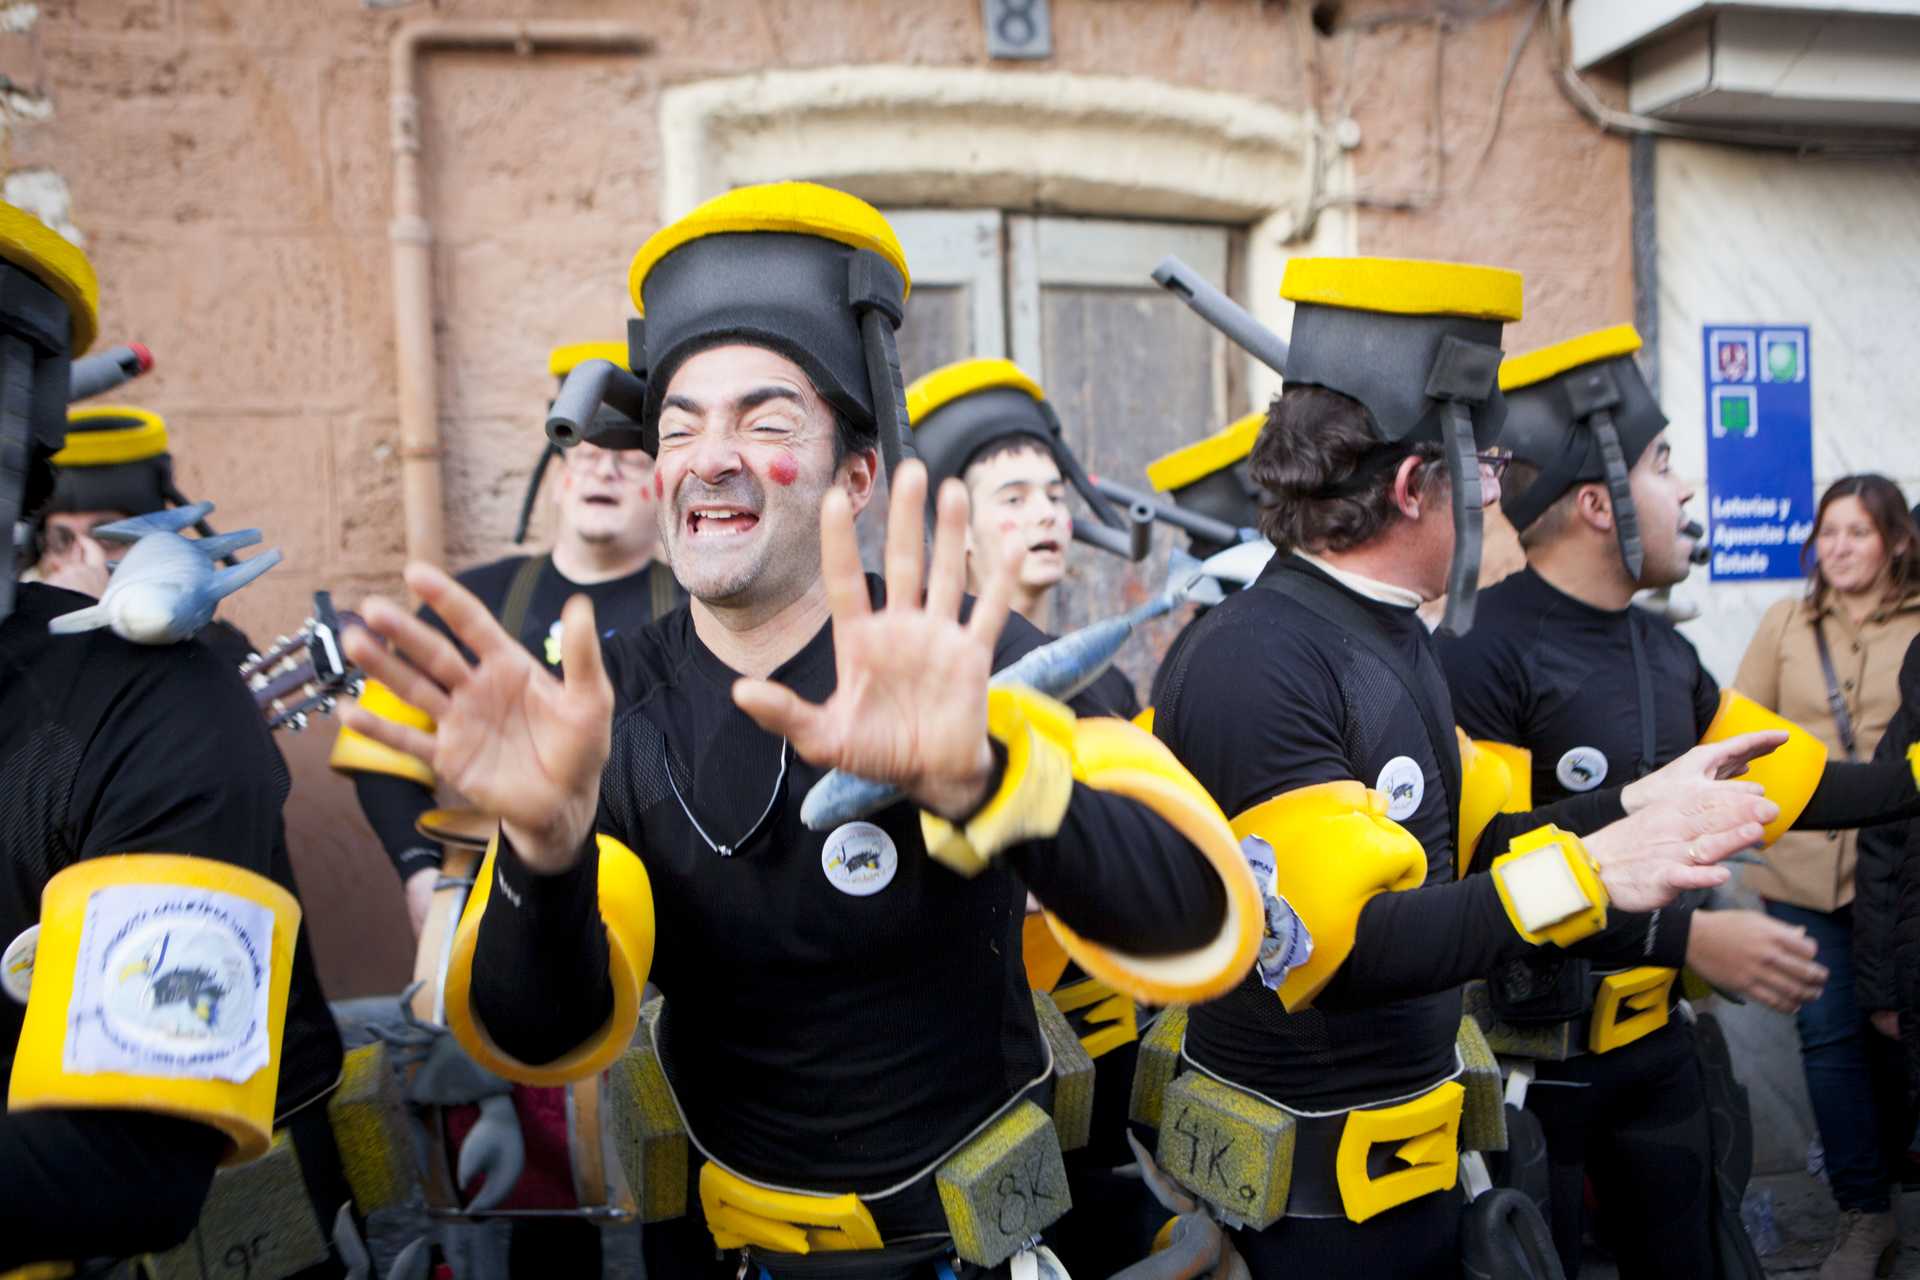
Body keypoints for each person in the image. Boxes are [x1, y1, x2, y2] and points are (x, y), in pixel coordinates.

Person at [341, 182, 1268, 1280]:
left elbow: (1198, 918)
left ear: (857, 474)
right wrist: (545, 854)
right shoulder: (610, 707)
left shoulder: (962, 651)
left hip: (985, 1248)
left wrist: (989, 777)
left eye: (765, 420)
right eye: (680, 426)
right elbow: (539, 1032)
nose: (710, 454)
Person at [1150, 256, 1782, 1277]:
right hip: (1316, 1227)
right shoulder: (1260, 658)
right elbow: (1346, 949)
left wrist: (1626, 804)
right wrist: (1586, 875)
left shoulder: (1390, 631)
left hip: (1418, 1179)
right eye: (1484, 465)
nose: (1498, 488)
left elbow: (1469, 843)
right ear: (1412, 484)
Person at [1435, 324, 1842, 1277]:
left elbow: (1797, 784)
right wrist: (1690, 940)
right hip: (1541, 1070)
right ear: (1594, 502)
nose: (1690, 488)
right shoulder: (1481, 650)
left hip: (1659, 1049)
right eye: (1665, 463)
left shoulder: (1666, 652)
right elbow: (1488, 861)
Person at [0, 207, 346, 1273]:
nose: (74, 566)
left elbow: (123, 1165)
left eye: (95, 544)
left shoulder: (166, 680)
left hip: (224, 1139)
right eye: (61, 545)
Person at [334, 343, 678, 938]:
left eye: (630, 462)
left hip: (672, 910)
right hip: (509, 904)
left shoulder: (701, 609)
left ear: (664, 488)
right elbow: (379, 753)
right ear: (558, 480)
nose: (603, 470)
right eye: (587, 455)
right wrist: (420, 872)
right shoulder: (472, 602)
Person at [1734, 473, 1920, 1278]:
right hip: (1806, 876)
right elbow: (1738, 734)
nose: (1839, 547)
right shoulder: (1784, 622)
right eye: (1828, 533)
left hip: (1901, 878)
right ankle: (1863, 1216)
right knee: (1831, 1040)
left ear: (1898, 542)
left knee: (1897, 1049)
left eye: (1858, 532)